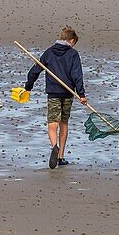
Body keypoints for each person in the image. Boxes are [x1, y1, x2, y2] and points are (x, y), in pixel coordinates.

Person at [24, 27, 87, 169]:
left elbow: (35, 70)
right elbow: (78, 75)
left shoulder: (49, 52)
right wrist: (81, 94)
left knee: (53, 124)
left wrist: (28, 86)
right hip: (68, 92)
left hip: (53, 92)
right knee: (64, 122)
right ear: (71, 40)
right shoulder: (73, 54)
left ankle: (54, 146)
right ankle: (61, 156)